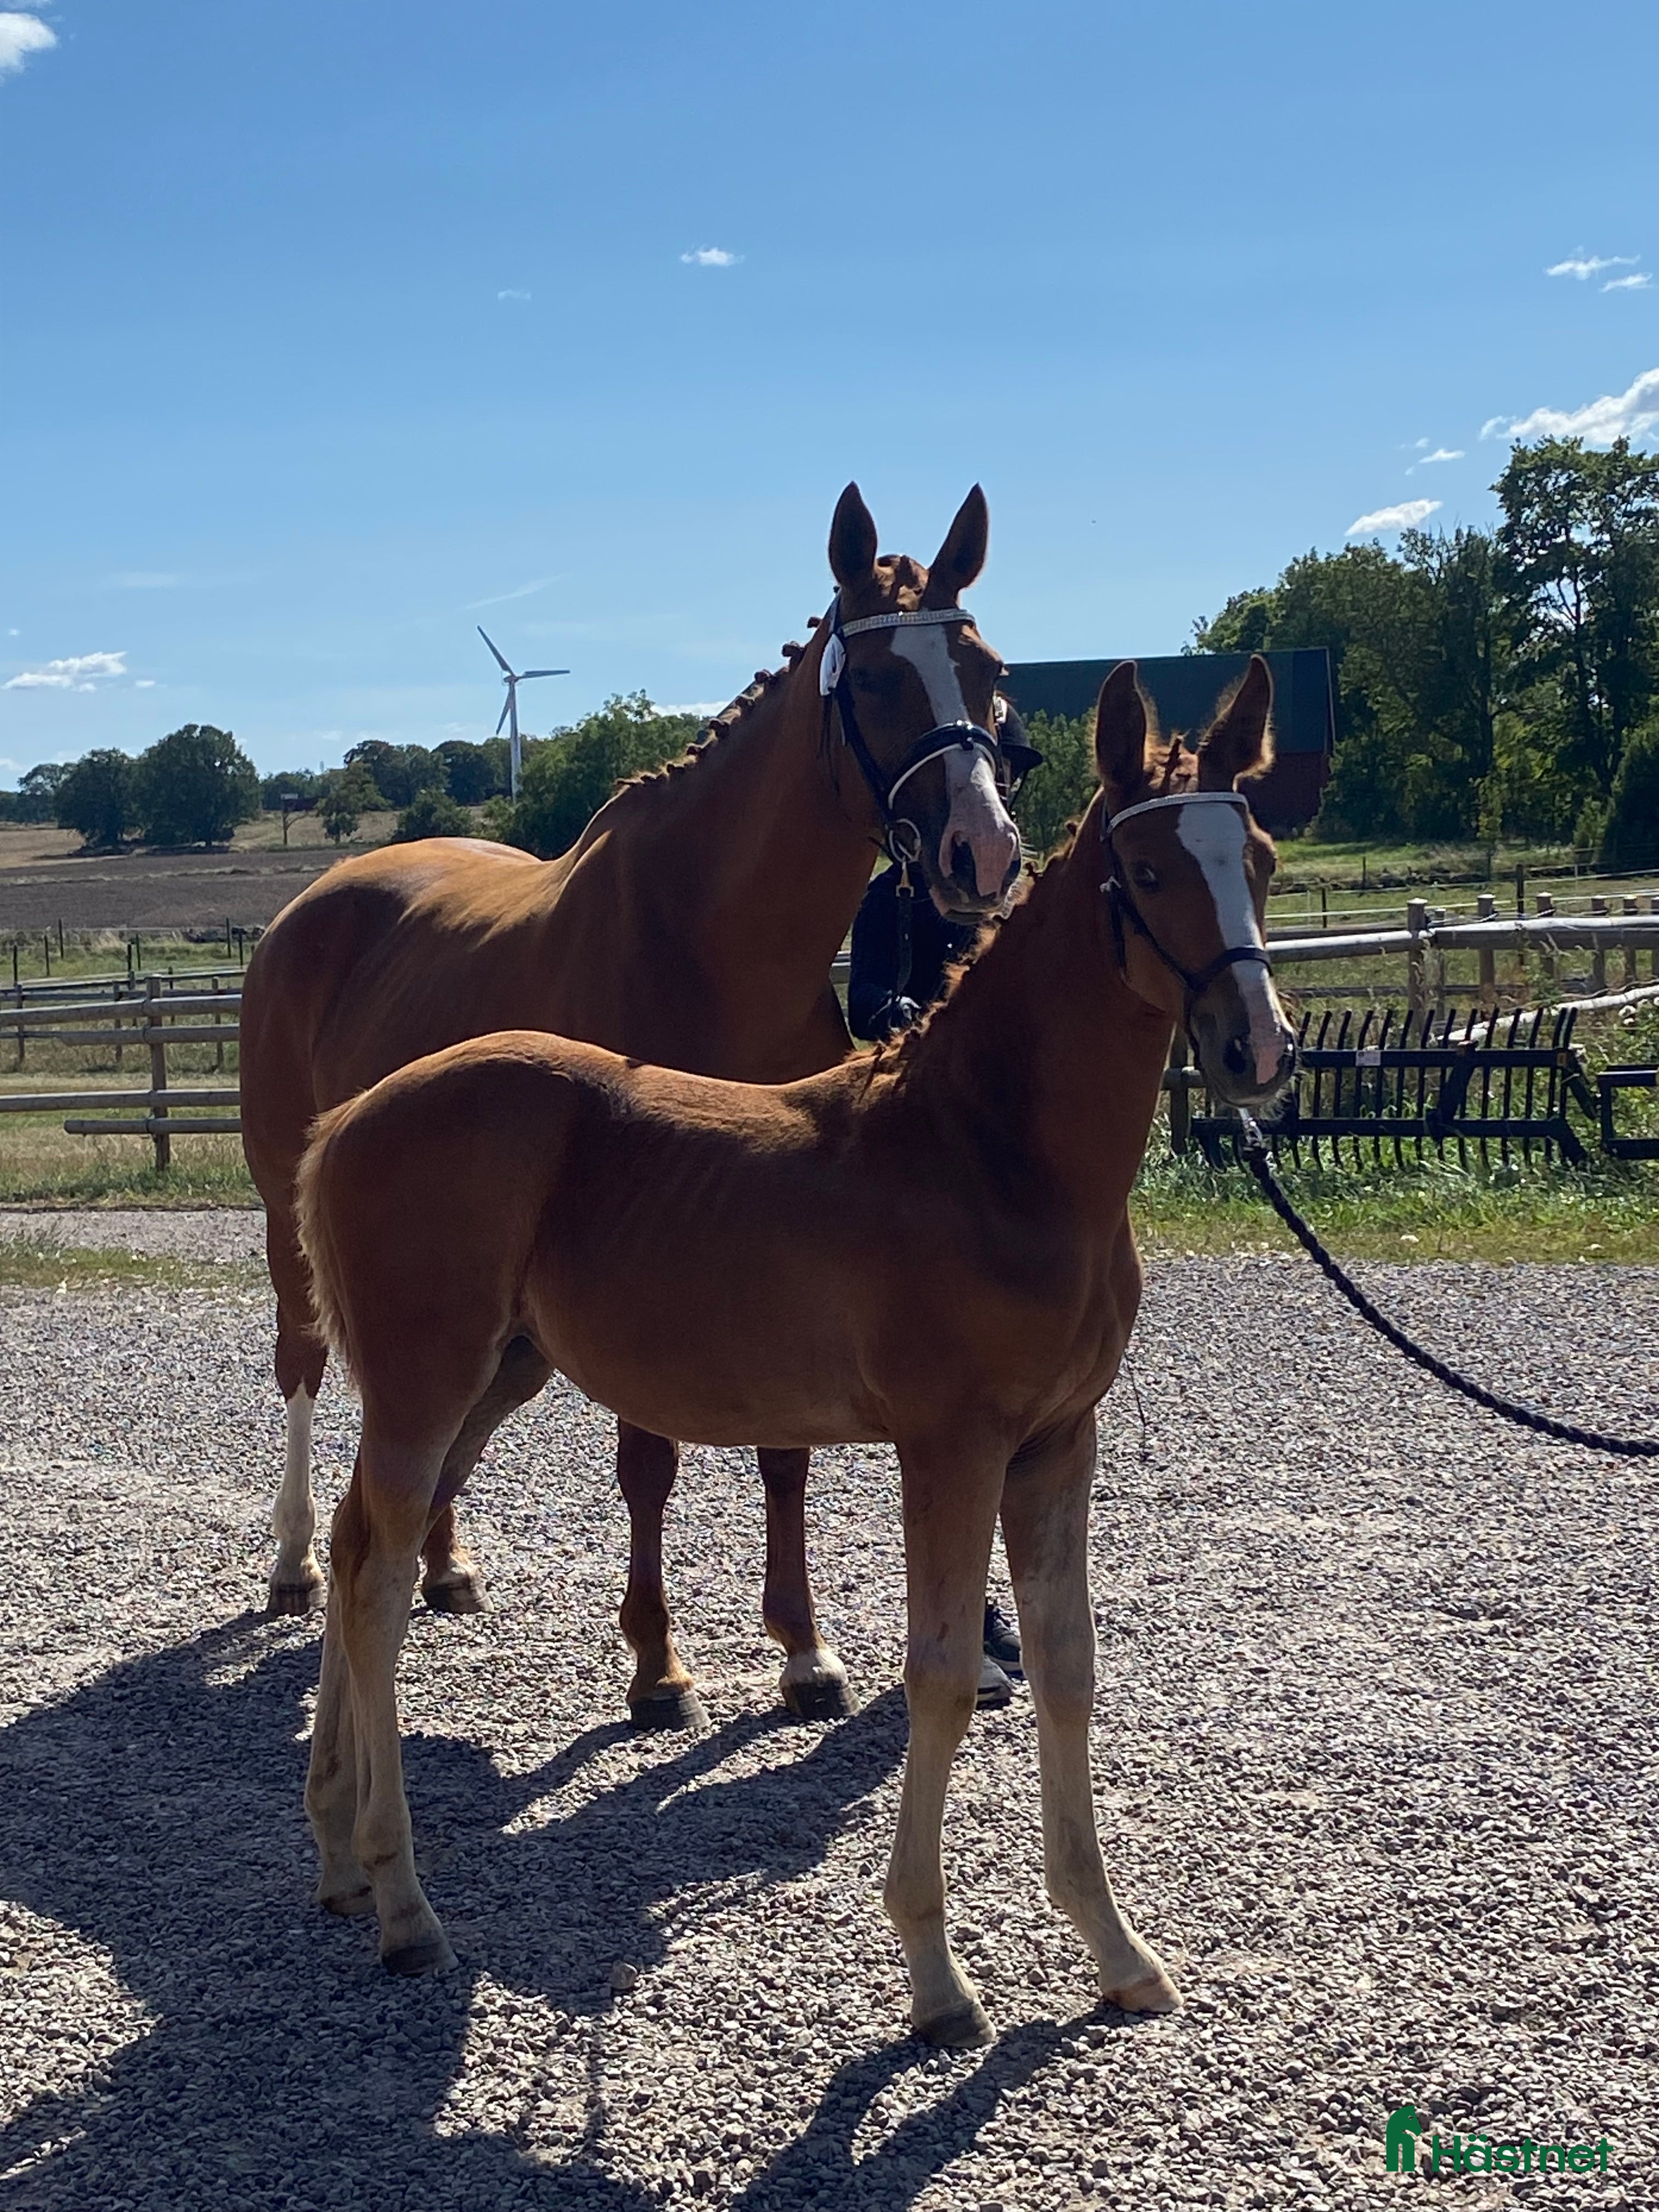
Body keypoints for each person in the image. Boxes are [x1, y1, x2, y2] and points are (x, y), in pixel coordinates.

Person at [846, 696, 1042, 1709]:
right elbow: (866, 1006)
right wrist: (917, 1020)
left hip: (1015, 1155)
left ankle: (1005, 1606)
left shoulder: (1027, 906)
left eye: (1003, 775)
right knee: (952, 1398)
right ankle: (970, 1614)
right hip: (924, 1149)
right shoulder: (893, 902)